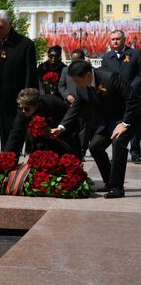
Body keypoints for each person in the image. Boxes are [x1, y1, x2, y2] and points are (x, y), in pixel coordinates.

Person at [51, 60, 141, 198]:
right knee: (95, 146)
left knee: (118, 143)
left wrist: (124, 124)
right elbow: (76, 107)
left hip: (129, 116)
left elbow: (132, 99)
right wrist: (61, 127)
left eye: (77, 80)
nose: (75, 84)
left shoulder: (110, 77)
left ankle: (117, 188)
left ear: (88, 75)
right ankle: (110, 182)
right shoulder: (81, 86)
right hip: (108, 121)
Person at [0, 9, 38, 149]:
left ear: (9, 24)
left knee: (11, 144)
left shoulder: (25, 44)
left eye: (1, 27)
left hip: (13, 104)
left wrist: (27, 101)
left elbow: (30, 75)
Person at [101, 30, 141, 163]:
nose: (115, 41)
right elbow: (103, 76)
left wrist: (131, 88)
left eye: (118, 39)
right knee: (116, 126)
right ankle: (116, 154)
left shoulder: (135, 54)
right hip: (116, 99)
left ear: (124, 39)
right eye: (113, 39)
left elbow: (140, 74)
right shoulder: (107, 57)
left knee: (134, 125)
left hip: (133, 96)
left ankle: (135, 152)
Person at [5, 88, 80, 157]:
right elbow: (15, 135)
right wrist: (8, 159)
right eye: (21, 107)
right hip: (42, 139)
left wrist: (59, 130)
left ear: (36, 105)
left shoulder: (52, 103)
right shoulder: (23, 111)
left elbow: (70, 120)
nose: (23, 111)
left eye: (27, 109)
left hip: (64, 131)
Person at [59, 49, 92, 159]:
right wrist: (67, 95)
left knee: (83, 128)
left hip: (85, 103)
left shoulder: (89, 71)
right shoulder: (65, 70)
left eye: (77, 60)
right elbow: (61, 86)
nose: (74, 63)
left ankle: (82, 152)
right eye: (72, 60)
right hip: (70, 104)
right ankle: (70, 150)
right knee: (69, 127)